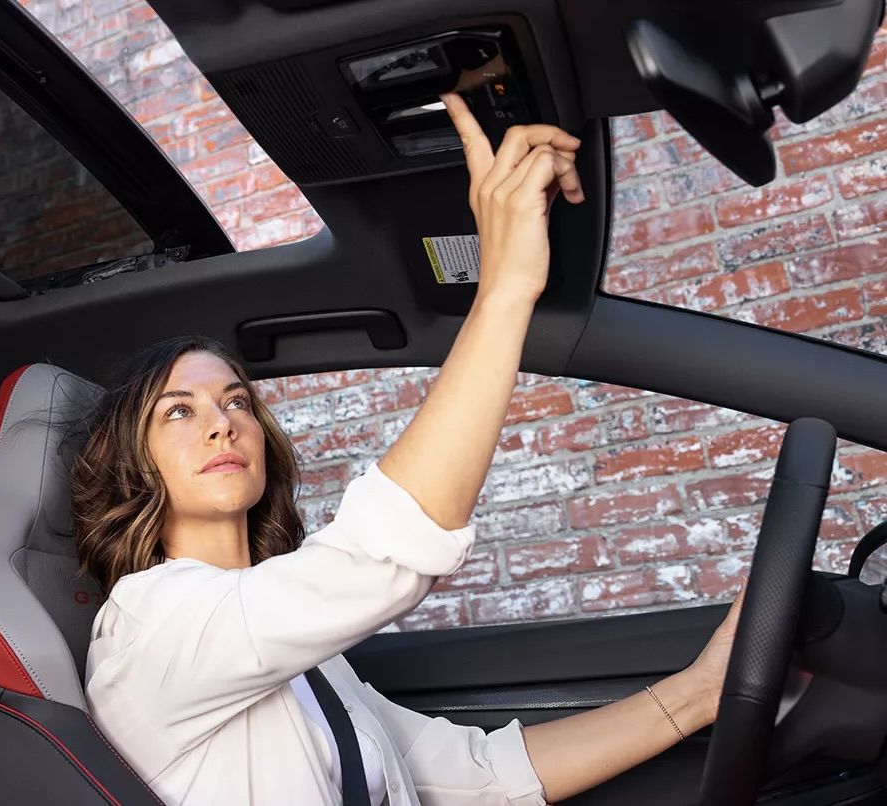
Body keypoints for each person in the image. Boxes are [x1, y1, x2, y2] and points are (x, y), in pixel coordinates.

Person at [70, 92, 745, 805]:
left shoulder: (303, 658)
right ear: (133, 468)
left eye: (237, 400)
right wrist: (506, 286)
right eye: (179, 411)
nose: (222, 423)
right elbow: (381, 557)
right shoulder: (152, 622)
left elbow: (479, 776)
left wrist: (699, 696)